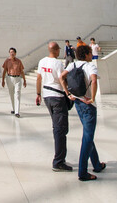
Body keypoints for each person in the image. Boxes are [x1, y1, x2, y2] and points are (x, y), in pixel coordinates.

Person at [61, 44, 106, 182]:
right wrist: (92, 98)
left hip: (78, 102)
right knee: (87, 137)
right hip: (88, 105)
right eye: (90, 53)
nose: (91, 55)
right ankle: (82, 172)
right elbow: (93, 80)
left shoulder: (72, 65)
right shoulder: (89, 66)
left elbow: (61, 77)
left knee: (88, 134)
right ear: (86, 54)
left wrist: (67, 93)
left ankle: (97, 164)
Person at [36, 42, 72, 172]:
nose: (59, 52)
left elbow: (39, 78)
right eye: (59, 50)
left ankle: (60, 158)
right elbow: (62, 79)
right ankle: (58, 161)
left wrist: (38, 94)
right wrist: (68, 93)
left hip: (47, 96)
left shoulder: (42, 62)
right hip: (57, 97)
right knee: (60, 129)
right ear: (55, 50)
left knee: (58, 126)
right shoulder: (58, 63)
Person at [1, 47, 26, 117]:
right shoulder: (7, 61)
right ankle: (14, 108)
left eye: (13, 52)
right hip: (9, 78)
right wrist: (2, 80)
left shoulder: (19, 61)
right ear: (9, 53)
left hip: (18, 78)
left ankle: (17, 112)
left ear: (15, 53)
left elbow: (22, 71)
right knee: (11, 94)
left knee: (17, 94)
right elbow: (4, 71)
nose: (12, 53)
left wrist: (24, 80)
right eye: (10, 52)